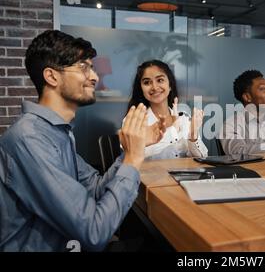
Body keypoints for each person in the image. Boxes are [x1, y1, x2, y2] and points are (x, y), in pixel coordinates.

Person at [0, 30, 165, 252]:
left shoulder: (57, 132)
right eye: (83, 67)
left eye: (92, 67)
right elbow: (94, 232)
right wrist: (134, 160)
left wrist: (132, 150)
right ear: (52, 76)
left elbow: (96, 188)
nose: (95, 77)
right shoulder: (30, 138)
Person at [126, 60, 208, 160]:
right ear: (141, 89)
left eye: (160, 80)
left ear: (170, 86)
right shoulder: (134, 121)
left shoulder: (183, 118)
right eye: (147, 82)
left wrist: (193, 135)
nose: (155, 87)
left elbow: (202, 157)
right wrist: (172, 129)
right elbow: (133, 157)